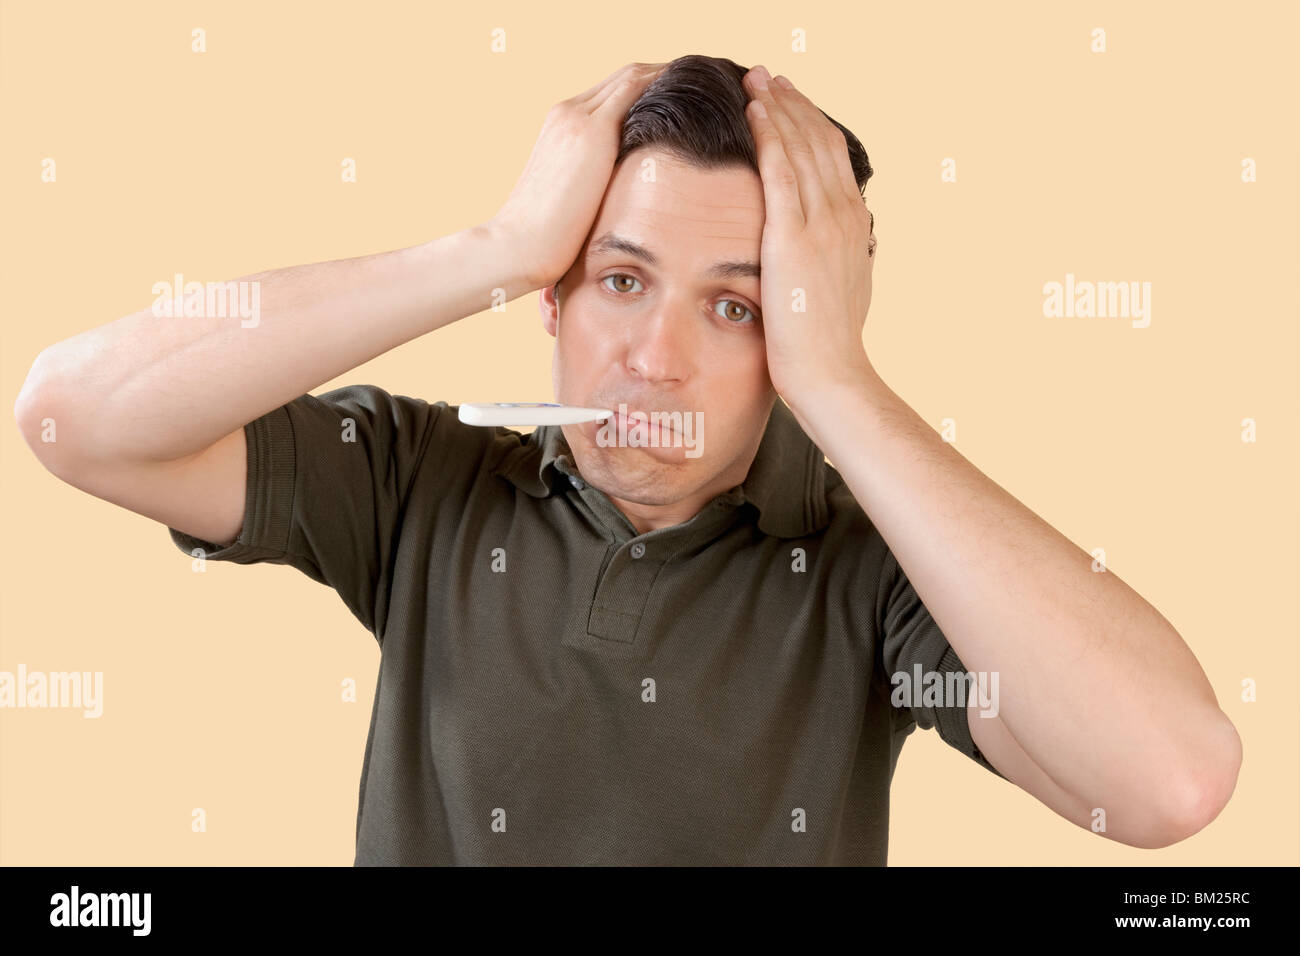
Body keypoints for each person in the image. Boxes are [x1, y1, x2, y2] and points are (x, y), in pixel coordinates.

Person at [14, 55, 1241, 865]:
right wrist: (493, 245)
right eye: (617, 278)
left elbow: (1168, 780)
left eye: (736, 307)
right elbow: (73, 413)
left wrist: (841, 381)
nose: (652, 357)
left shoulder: (876, 570)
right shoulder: (416, 481)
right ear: (550, 301)